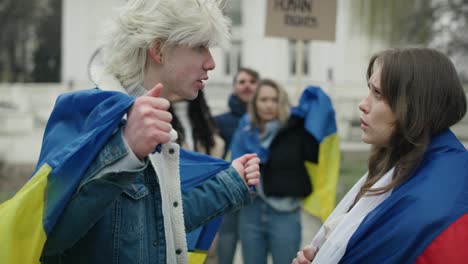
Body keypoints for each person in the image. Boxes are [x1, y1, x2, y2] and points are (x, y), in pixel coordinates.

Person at [33, 0, 261, 263]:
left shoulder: (154, 121)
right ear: (158, 49)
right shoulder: (84, 113)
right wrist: (125, 151)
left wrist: (230, 183)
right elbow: (47, 239)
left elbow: (157, 225)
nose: (211, 63)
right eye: (199, 47)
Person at [293, 47, 468, 264]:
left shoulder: (425, 207)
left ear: (414, 106)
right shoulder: (413, 162)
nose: (363, 105)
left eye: (378, 94)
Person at [230, 79, 339, 264]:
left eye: (274, 99)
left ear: (282, 102)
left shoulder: (295, 128)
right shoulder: (245, 129)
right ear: (255, 103)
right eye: (263, 99)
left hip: (285, 212)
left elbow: (319, 121)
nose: (269, 105)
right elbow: (233, 166)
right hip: (251, 211)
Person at [215, 67, 259, 263]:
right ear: (234, 87)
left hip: (260, 195)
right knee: (227, 237)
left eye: (252, 81)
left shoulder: (271, 120)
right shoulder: (219, 121)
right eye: (242, 81)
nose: (247, 85)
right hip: (230, 191)